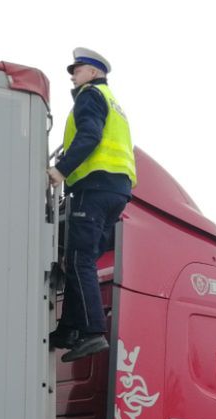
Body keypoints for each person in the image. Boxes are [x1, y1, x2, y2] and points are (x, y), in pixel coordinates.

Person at [47, 47, 136, 363]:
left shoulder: (90, 95)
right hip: (116, 192)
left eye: (78, 68)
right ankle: (69, 328)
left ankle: (91, 333)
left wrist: (60, 170)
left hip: (94, 186)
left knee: (79, 259)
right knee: (79, 258)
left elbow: (90, 135)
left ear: (95, 72)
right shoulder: (114, 103)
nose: (72, 74)